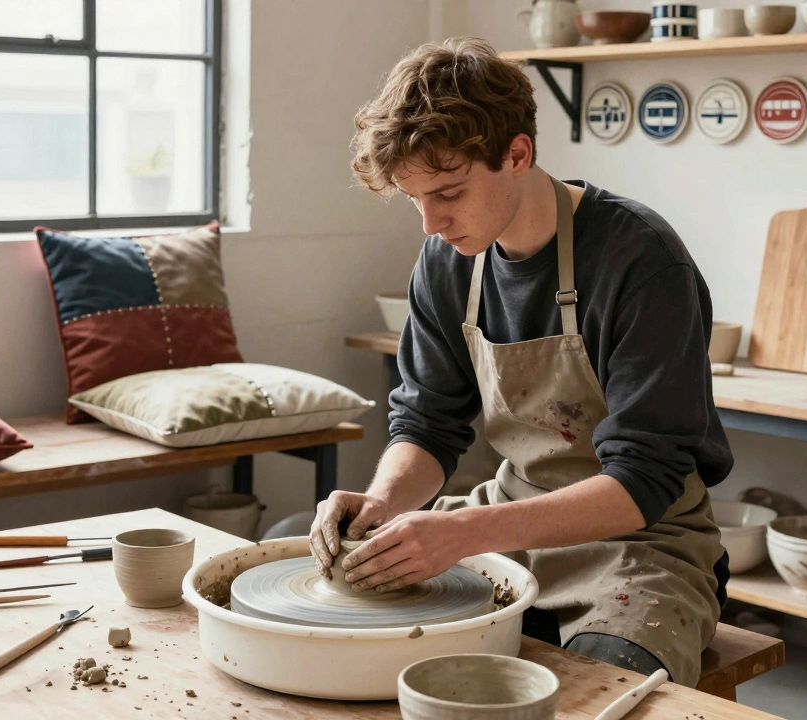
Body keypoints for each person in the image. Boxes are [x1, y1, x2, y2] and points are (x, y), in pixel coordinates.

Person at [308, 37, 733, 688]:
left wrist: (462, 535)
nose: (431, 224)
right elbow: (427, 423)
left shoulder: (641, 261)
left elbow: (642, 483)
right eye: (414, 198)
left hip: (641, 546)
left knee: (603, 685)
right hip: (507, 516)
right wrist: (383, 506)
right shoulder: (448, 259)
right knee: (344, 594)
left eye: (448, 192)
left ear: (518, 153)